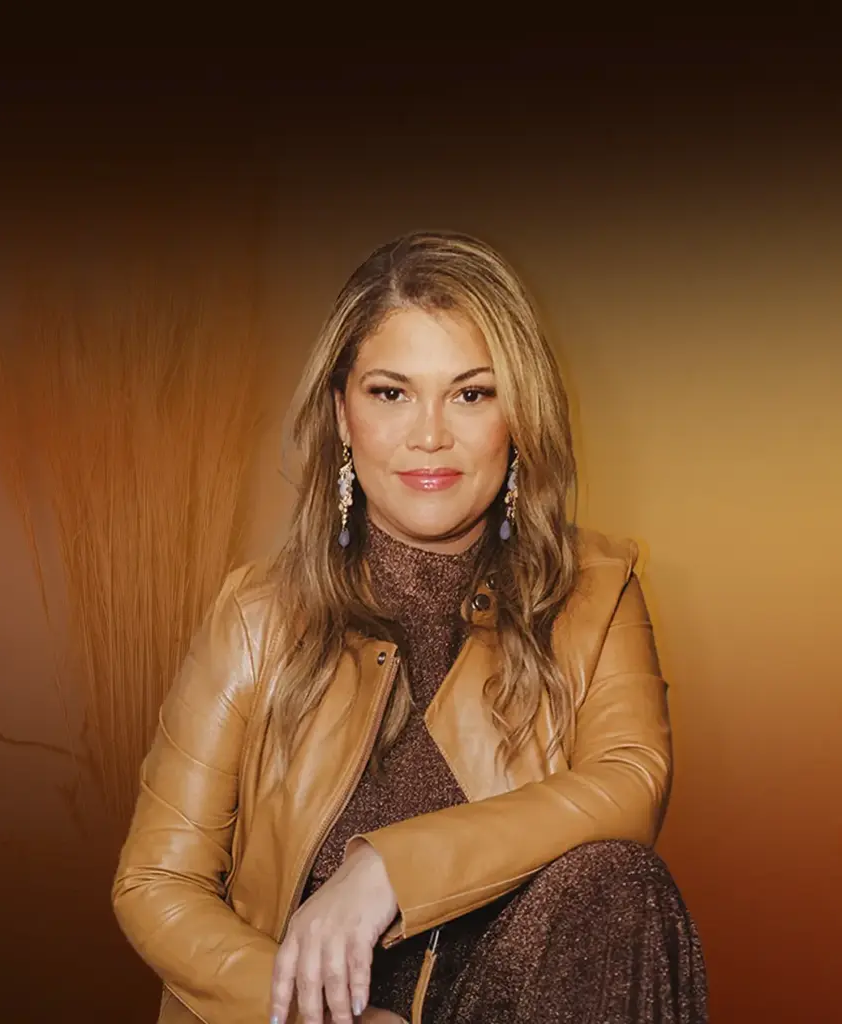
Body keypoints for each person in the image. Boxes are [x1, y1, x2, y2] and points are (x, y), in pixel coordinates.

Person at [112, 230, 708, 1024]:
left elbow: (630, 780)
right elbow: (156, 883)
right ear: (343, 414)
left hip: (525, 1000)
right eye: (391, 393)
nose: (430, 434)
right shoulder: (258, 617)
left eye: (472, 394)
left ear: (518, 415)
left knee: (617, 885)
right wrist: (320, 1014)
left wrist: (391, 870)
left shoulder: (591, 591)